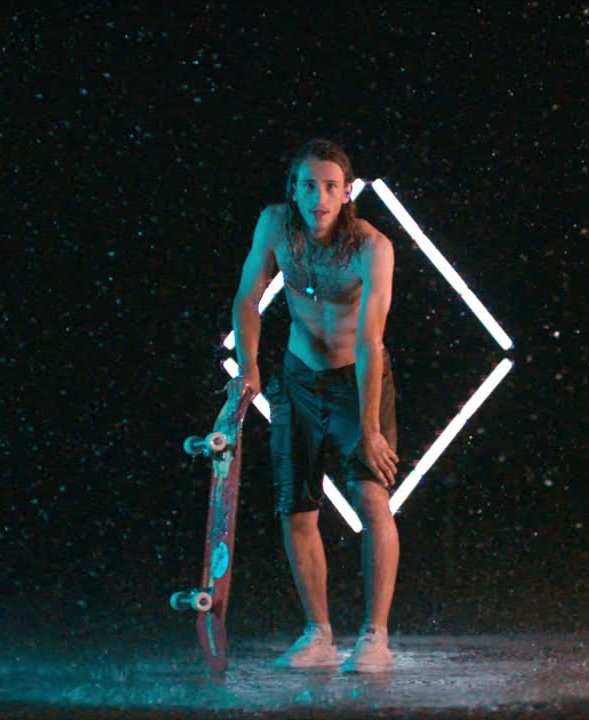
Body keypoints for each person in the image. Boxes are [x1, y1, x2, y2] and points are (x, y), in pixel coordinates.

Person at [232, 139, 400, 673]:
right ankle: (318, 634)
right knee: (297, 508)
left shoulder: (372, 247)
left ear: (347, 192)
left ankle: (375, 637)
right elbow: (247, 299)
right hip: (299, 377)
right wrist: (250, 368)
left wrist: (370, 429)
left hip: (357, 380)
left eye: (330, 187)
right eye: (309, 186)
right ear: (294, 189)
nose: (319, 198)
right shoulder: (274, 225)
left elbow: (370, 343)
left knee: (371, 501)